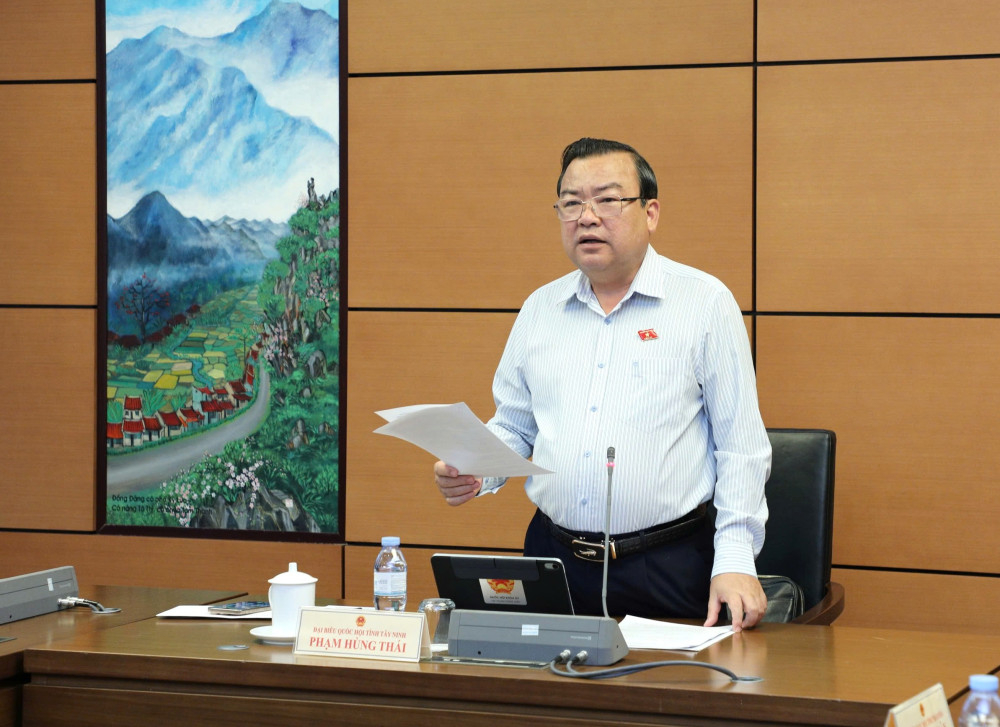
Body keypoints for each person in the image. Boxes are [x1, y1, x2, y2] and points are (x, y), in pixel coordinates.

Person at [434, 138, 771, 631]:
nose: (587, 217)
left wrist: (736, 558)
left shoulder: (704, 304)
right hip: (554, 559)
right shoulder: (540, 309)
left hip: (669, 562)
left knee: (670, 683)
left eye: (608, 200)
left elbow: (741, 447)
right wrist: (474, 468)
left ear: (650, 213)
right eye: (571, 203)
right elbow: (516, 426)